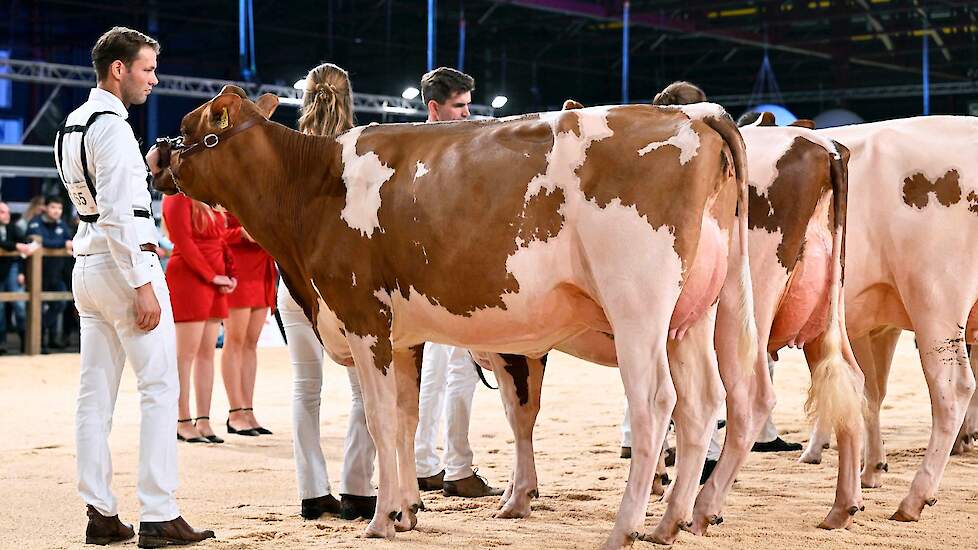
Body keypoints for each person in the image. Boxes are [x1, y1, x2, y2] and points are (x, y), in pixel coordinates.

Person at [57, 26, 213, 546]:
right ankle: (159, 513)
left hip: (87, 264)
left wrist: (145, 171)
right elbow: (124, 215)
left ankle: (100, 513)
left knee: (93, 395)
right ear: (118, 69)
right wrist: (143, 282)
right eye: (147, 69)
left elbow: (102, 200)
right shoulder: (115, 127)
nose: (154, 78)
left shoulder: (73, 124)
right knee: (159, 388)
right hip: (124, 270)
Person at [284, 61, 376, 522]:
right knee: (365, 390)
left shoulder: (287, 152)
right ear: (350, 96)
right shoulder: (359, 149)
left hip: (295, 282)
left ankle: (312, 492)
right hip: (345, 285)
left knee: (306, 389)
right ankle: (358, 490)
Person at [414, 67, 502, 498]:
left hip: (427, 273)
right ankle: (458, 467)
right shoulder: (451, 147)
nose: (469, 113)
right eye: (460, 106)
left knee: (434, 368)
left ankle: (424, 462)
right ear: (434, 107)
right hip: (452, 271)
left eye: (470, 104)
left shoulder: (412, 143)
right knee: (460, 370)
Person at [162, 193, 238, 443]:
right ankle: (181, 419)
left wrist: (229, 271)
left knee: (207, 353)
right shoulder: (175, 197)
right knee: (185, 355)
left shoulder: (208, 198)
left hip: (215, 278)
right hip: (189, 276)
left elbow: (222, 241)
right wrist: (211, 275)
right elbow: (182, 241)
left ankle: (203, 420)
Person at [221, 213, 276, 436]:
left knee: (251, 343)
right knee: (235, 341)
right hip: (238, 265)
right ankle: (235, 412)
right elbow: (212, 235)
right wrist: (240, 233)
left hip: (262, 266)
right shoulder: (222, 193)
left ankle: (248, 409)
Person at [26, 195, 74, 352]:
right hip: (37, 275)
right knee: (36, 307)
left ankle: (43, 332)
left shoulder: (62, 224)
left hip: (56, 274)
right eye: (53, 207)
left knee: (60, 303)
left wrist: (66, 243)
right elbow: (40, 241)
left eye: (59, 208)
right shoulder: (35, 223)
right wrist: (62, 244)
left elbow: (71, 240)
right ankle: (39, 342)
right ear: (45, 208)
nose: (57, 211)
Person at [0, 201, 31, 353]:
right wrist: (15, 246)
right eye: (2, 212)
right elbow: (10, 244)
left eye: (7, 211)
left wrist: (21, 271)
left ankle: (25, 342)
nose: (6, 215)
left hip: (12, 268)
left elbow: (25, 243)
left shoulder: (13, 227)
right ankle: (2, 343)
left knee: (19, 305)